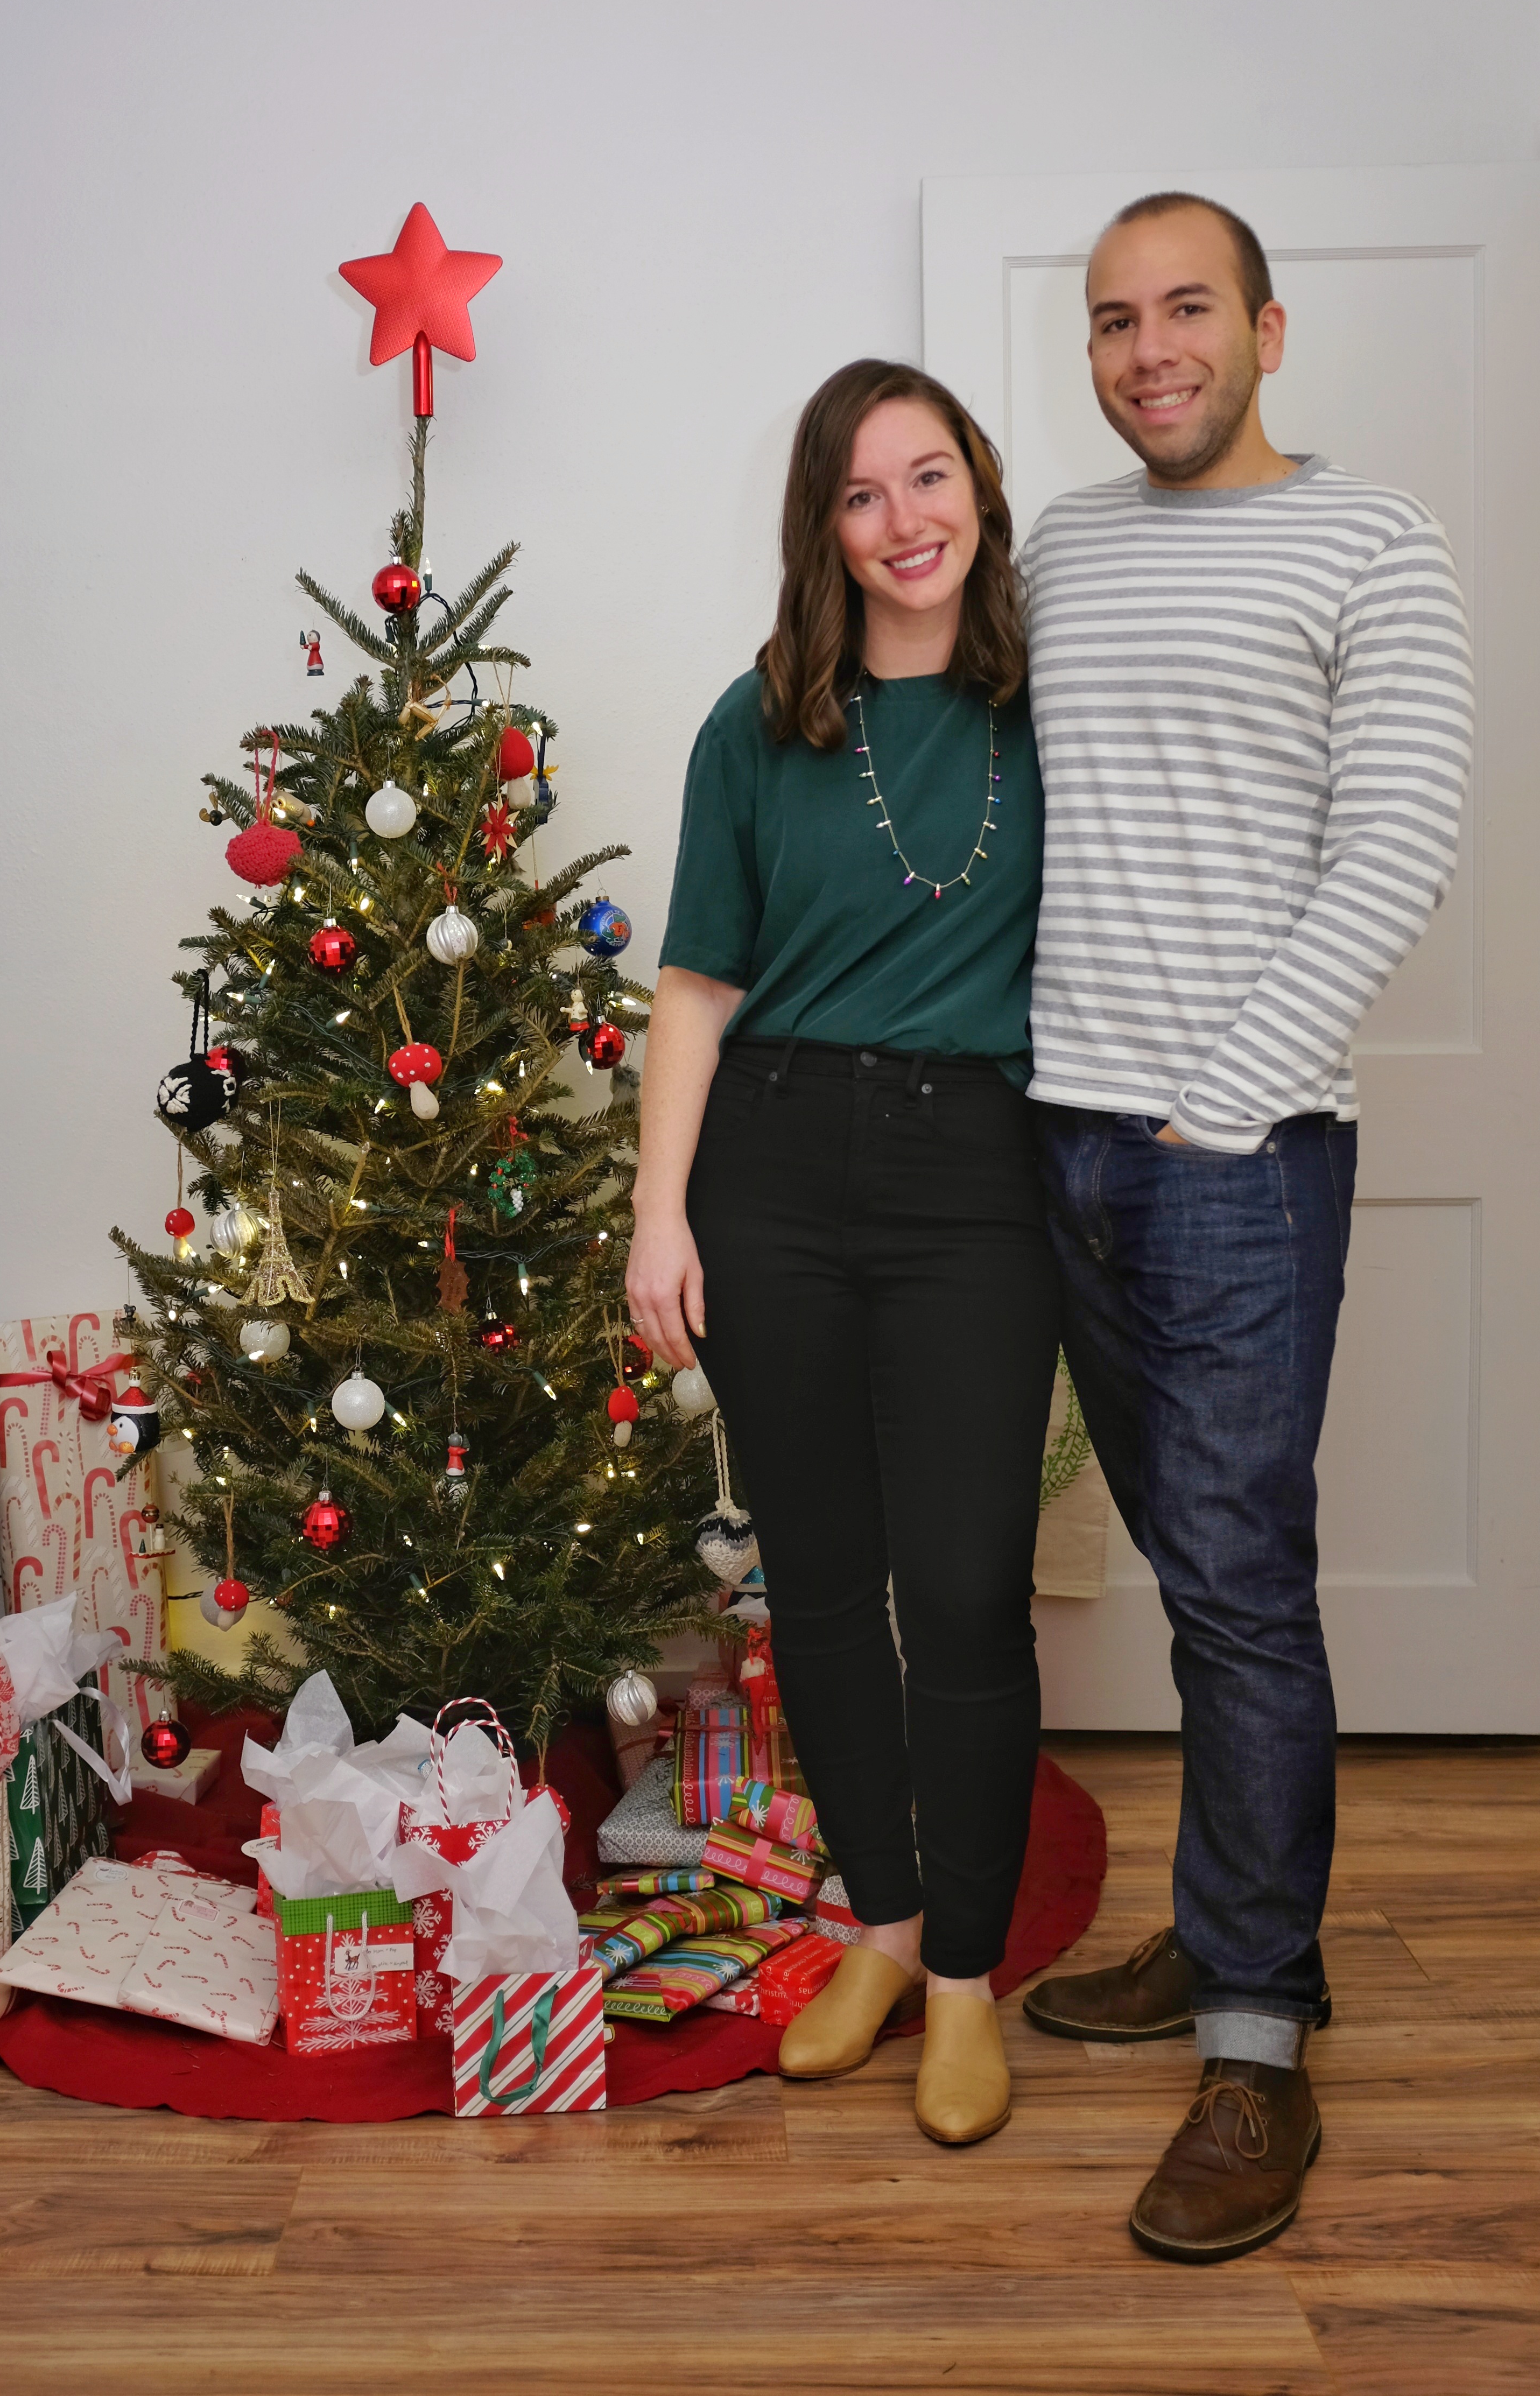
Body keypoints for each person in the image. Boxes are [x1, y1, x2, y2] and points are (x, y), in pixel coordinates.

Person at [1019, 192, 1472, 2260]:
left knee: (1240, 1591)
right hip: (1056, 1148)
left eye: (1186, 308)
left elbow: (1397, 843)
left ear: (1268, 329)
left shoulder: (1375, 543)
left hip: (1238, 1163)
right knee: (1186, 1568)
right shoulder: (1060, 545)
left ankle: (1259, 2041)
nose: (1147, 350)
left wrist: (1220, 1100)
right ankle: (1213, 1946)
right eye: (1115, 320)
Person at [626, 358, 1059, 2147]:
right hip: (775, 1172)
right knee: (819, 1582)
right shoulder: (760, 723)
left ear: (980, 489)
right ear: (825, 526)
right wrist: (660, 1210)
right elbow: (697, 987)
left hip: (976, 1174)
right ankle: (878, 1934)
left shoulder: (1053, 703)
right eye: (864, 494)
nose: (905, 522)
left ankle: (962, 1976)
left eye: (930, 476)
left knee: (961, 1590)